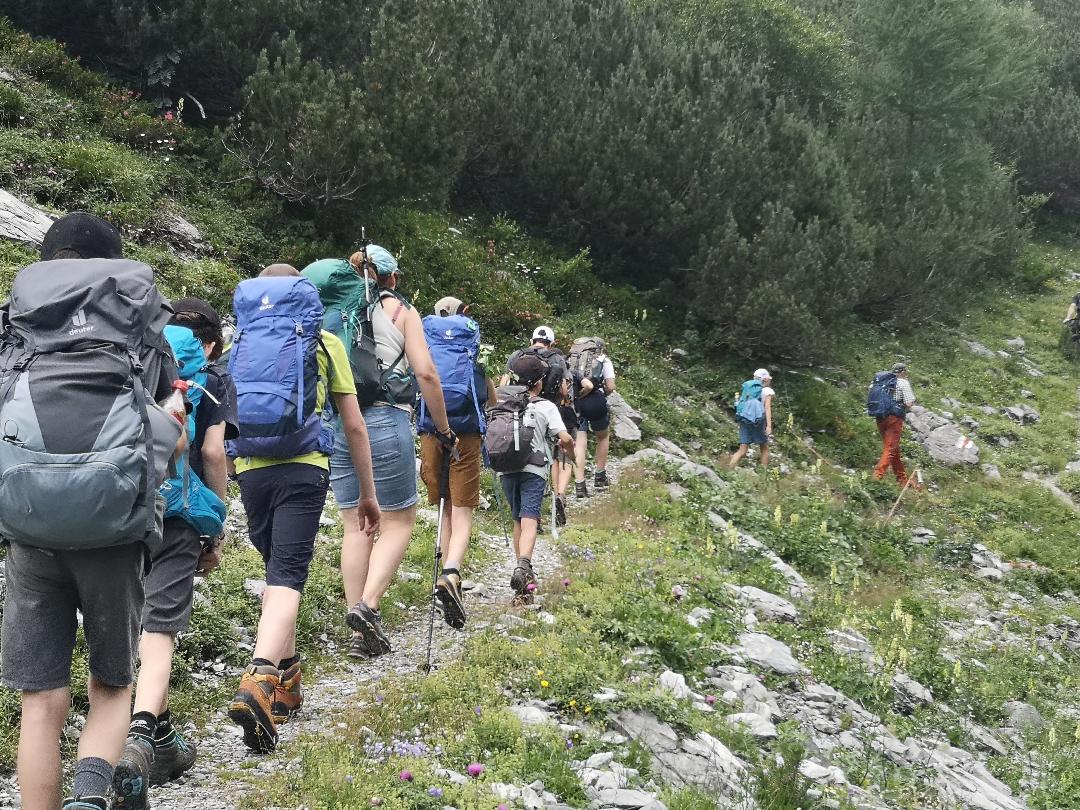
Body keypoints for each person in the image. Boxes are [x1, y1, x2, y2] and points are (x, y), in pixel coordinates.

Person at [0, 213, 182, 810]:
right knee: (111, 684)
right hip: (114, 526)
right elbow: (166, 425)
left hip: (30, 525)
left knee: (40, 698)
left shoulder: (16, 320)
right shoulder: (136, 318)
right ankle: (87, 794)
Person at [227, 264, 380, 754]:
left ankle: (288, 683)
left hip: (251, 468)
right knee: (288, 576)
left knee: (275, 571)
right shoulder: (323, 341)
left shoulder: (244, 340)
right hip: (305, 468)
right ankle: (261, 678)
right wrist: (368, 493)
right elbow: (354, 425)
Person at [112, 299, 238, 809]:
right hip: (180, 516)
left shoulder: (135, 356)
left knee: (130, 622)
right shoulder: (211, 378)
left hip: (124, 511)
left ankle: (159, 741)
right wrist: (217, 528)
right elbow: (212, 453)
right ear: (210, 342)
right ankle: (140, 738)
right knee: (160, 627)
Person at [303, 248, 453, 659]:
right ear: (392, 277)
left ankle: (357, 627)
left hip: (337, 424)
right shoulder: (401, 310)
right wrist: (442, 429)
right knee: (399, 519)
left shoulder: (331, 311)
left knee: (356, 524)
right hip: (385, 419)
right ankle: (368, 608)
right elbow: (425, 372)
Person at [418, 296, 497, 629]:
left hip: (432, 431)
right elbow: (490, 399)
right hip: (466, 433)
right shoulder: (473, 345)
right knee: (463, 509)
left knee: (445, 506)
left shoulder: (425, 340)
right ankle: (451, 572)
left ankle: (446, 577)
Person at [498, 354, 575, 601]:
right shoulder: (545, 406)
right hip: (534, 470)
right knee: (530, 518)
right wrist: (570, 449)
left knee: (517, 520)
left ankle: (521, 567)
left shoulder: (502, 402)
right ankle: (523, 565)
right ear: (539, 383)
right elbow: (564, 437)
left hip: (506, 468)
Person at [572, 338, 616, 497]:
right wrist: (602, 391)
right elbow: (610, 386)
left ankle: (579, 485)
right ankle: (599, 476)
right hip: (596, 401)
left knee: (579, 442)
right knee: (603, 436)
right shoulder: (604, 360)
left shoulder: (572, 359)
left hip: (576, 401)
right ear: (600, 348)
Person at [873, 362, 917, 486]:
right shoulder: (903, 382)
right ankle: (877, 477)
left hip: (880, 416)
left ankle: (902, 479)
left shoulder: (883, 382)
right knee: (891, 448)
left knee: (893, 448)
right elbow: (909, 403)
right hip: (894, 418)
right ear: (903, 372)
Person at [730, 368, 775, 469]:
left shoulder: (749, 388)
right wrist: (769, 426)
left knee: (742, 451)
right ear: (765, 379)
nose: (770, 381)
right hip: (758, 422)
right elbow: (767, 408)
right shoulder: (767, 391)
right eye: (768, 379)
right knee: (764, 448)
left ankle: (727, 469)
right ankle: (763, 473)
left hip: (745, 419)